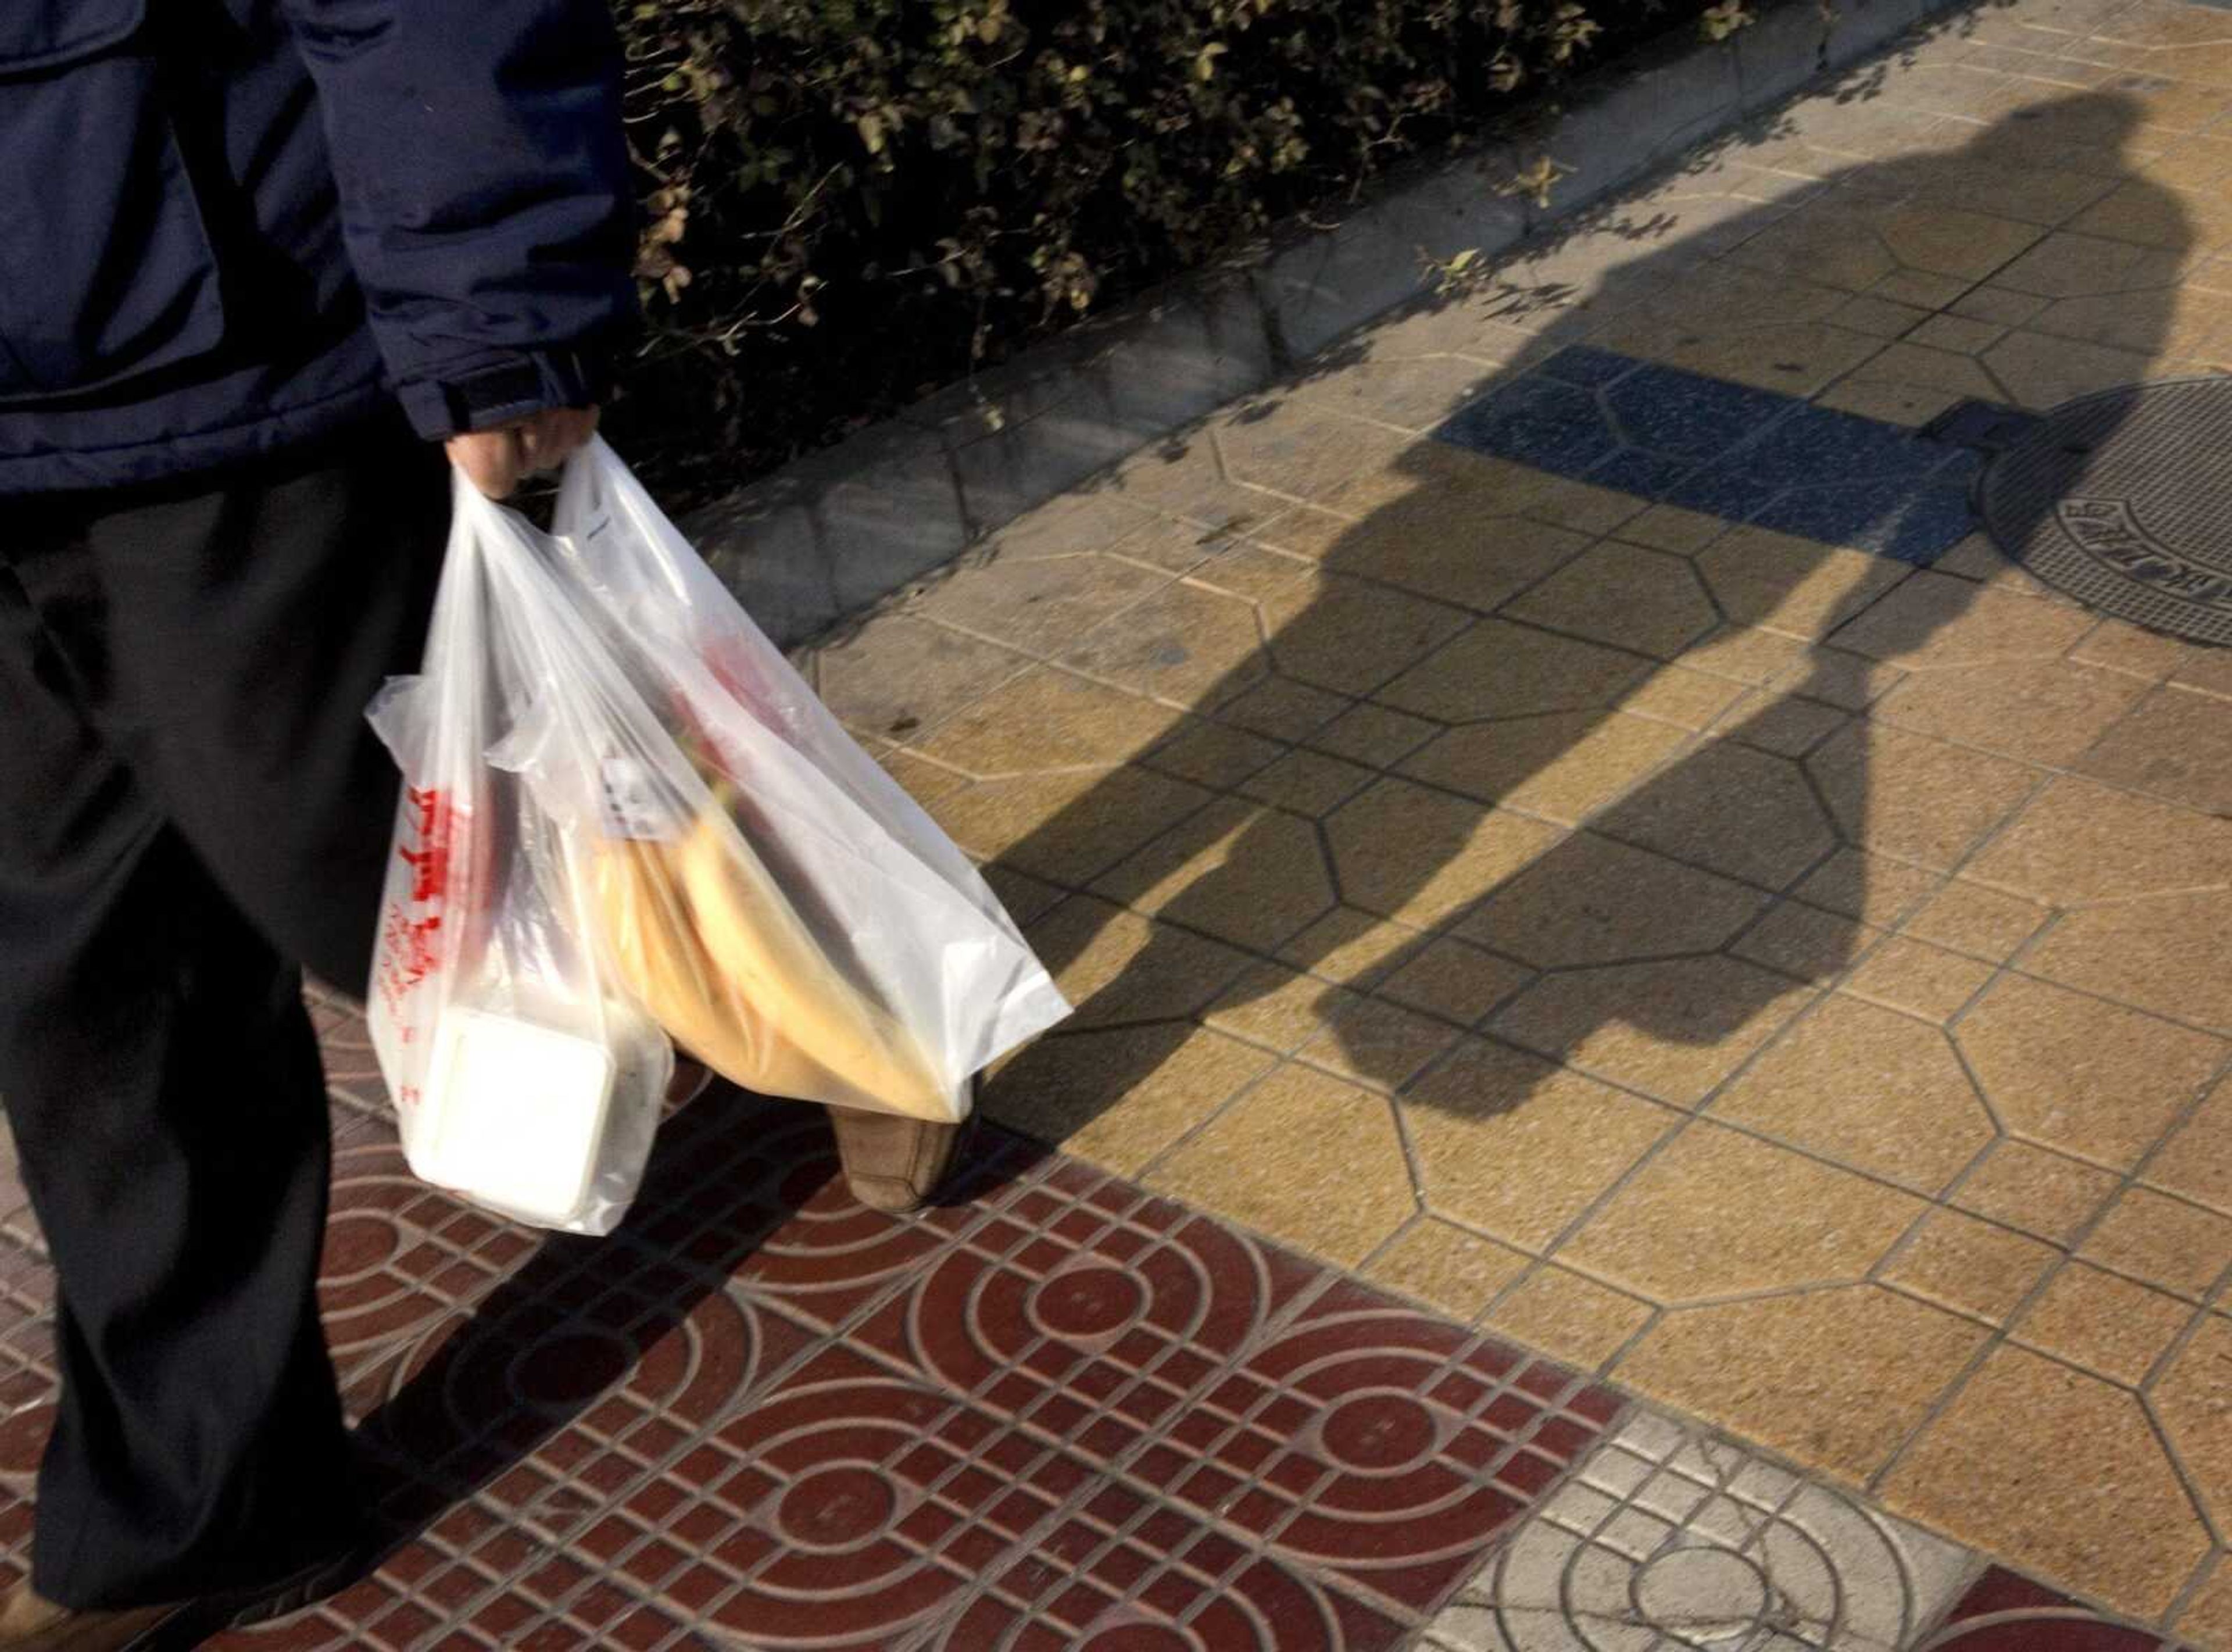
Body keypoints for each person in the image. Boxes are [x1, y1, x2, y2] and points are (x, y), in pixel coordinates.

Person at [0, 3, 952, 1646]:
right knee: (83, 975)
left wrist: (498, 311)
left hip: (232, 347)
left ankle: (854, 998)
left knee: (423, 865)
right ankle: (202, 1508)